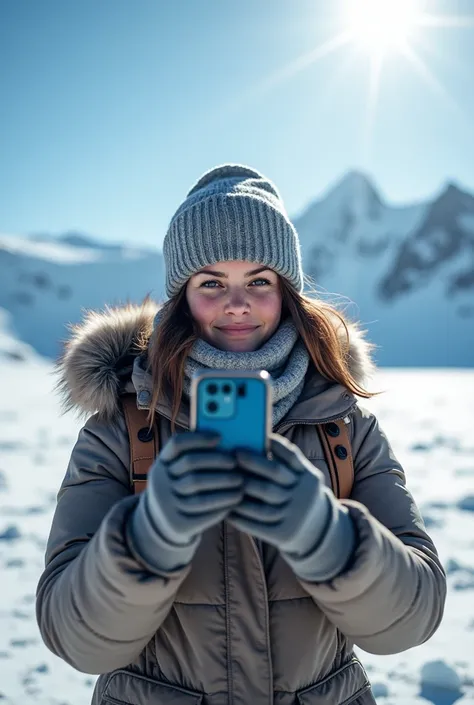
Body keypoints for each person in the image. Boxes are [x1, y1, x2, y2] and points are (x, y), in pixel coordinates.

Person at [36, 165, 446, 705]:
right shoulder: (121, 430)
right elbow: (75, 639)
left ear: (287, 292)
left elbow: (410, 621)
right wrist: (148, 539)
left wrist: (329, 536)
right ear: (181, 298)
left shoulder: (343, 427)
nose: (237, 302)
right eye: (211, 283)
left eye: (259, 280)